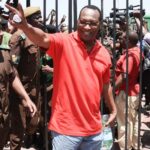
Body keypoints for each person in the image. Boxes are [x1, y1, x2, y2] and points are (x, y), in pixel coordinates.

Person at [6, 3, 117, 150]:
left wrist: (113, 110)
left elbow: (105, 85)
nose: (87, 27)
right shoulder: (64, 42)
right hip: (66, 131)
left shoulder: (103, 53)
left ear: (100, 24)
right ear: (78, 21)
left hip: (94, 131)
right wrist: (25, 27)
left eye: (92, 23)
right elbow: (43, 38)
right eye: (83, 22)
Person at [8, 6, 45, 150]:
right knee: (18, 130)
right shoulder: (19, 37)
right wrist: (22, 96)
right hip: (20, 92)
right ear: (27, 20)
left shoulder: (35, 36)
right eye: (37, 18)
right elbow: (12, 69)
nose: (41, 21)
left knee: (34, 124)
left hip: (34, 90)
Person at [0, 19, 37, 150]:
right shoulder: (17, 38)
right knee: (18, 128)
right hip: (14, 96)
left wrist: (25, 98)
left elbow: (12, 74)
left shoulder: (3, 52)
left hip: (2, 113)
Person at [115, 31, 141, 150]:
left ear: (128, 41)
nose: (120, 41)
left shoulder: (130, 56)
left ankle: (125, 146)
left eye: (122, 39)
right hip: (133, 91)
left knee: (123, 122)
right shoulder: (137, 51)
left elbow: (124, 75)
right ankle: (134, 145)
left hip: (126, 92)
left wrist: (112, 89)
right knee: (132, 121)